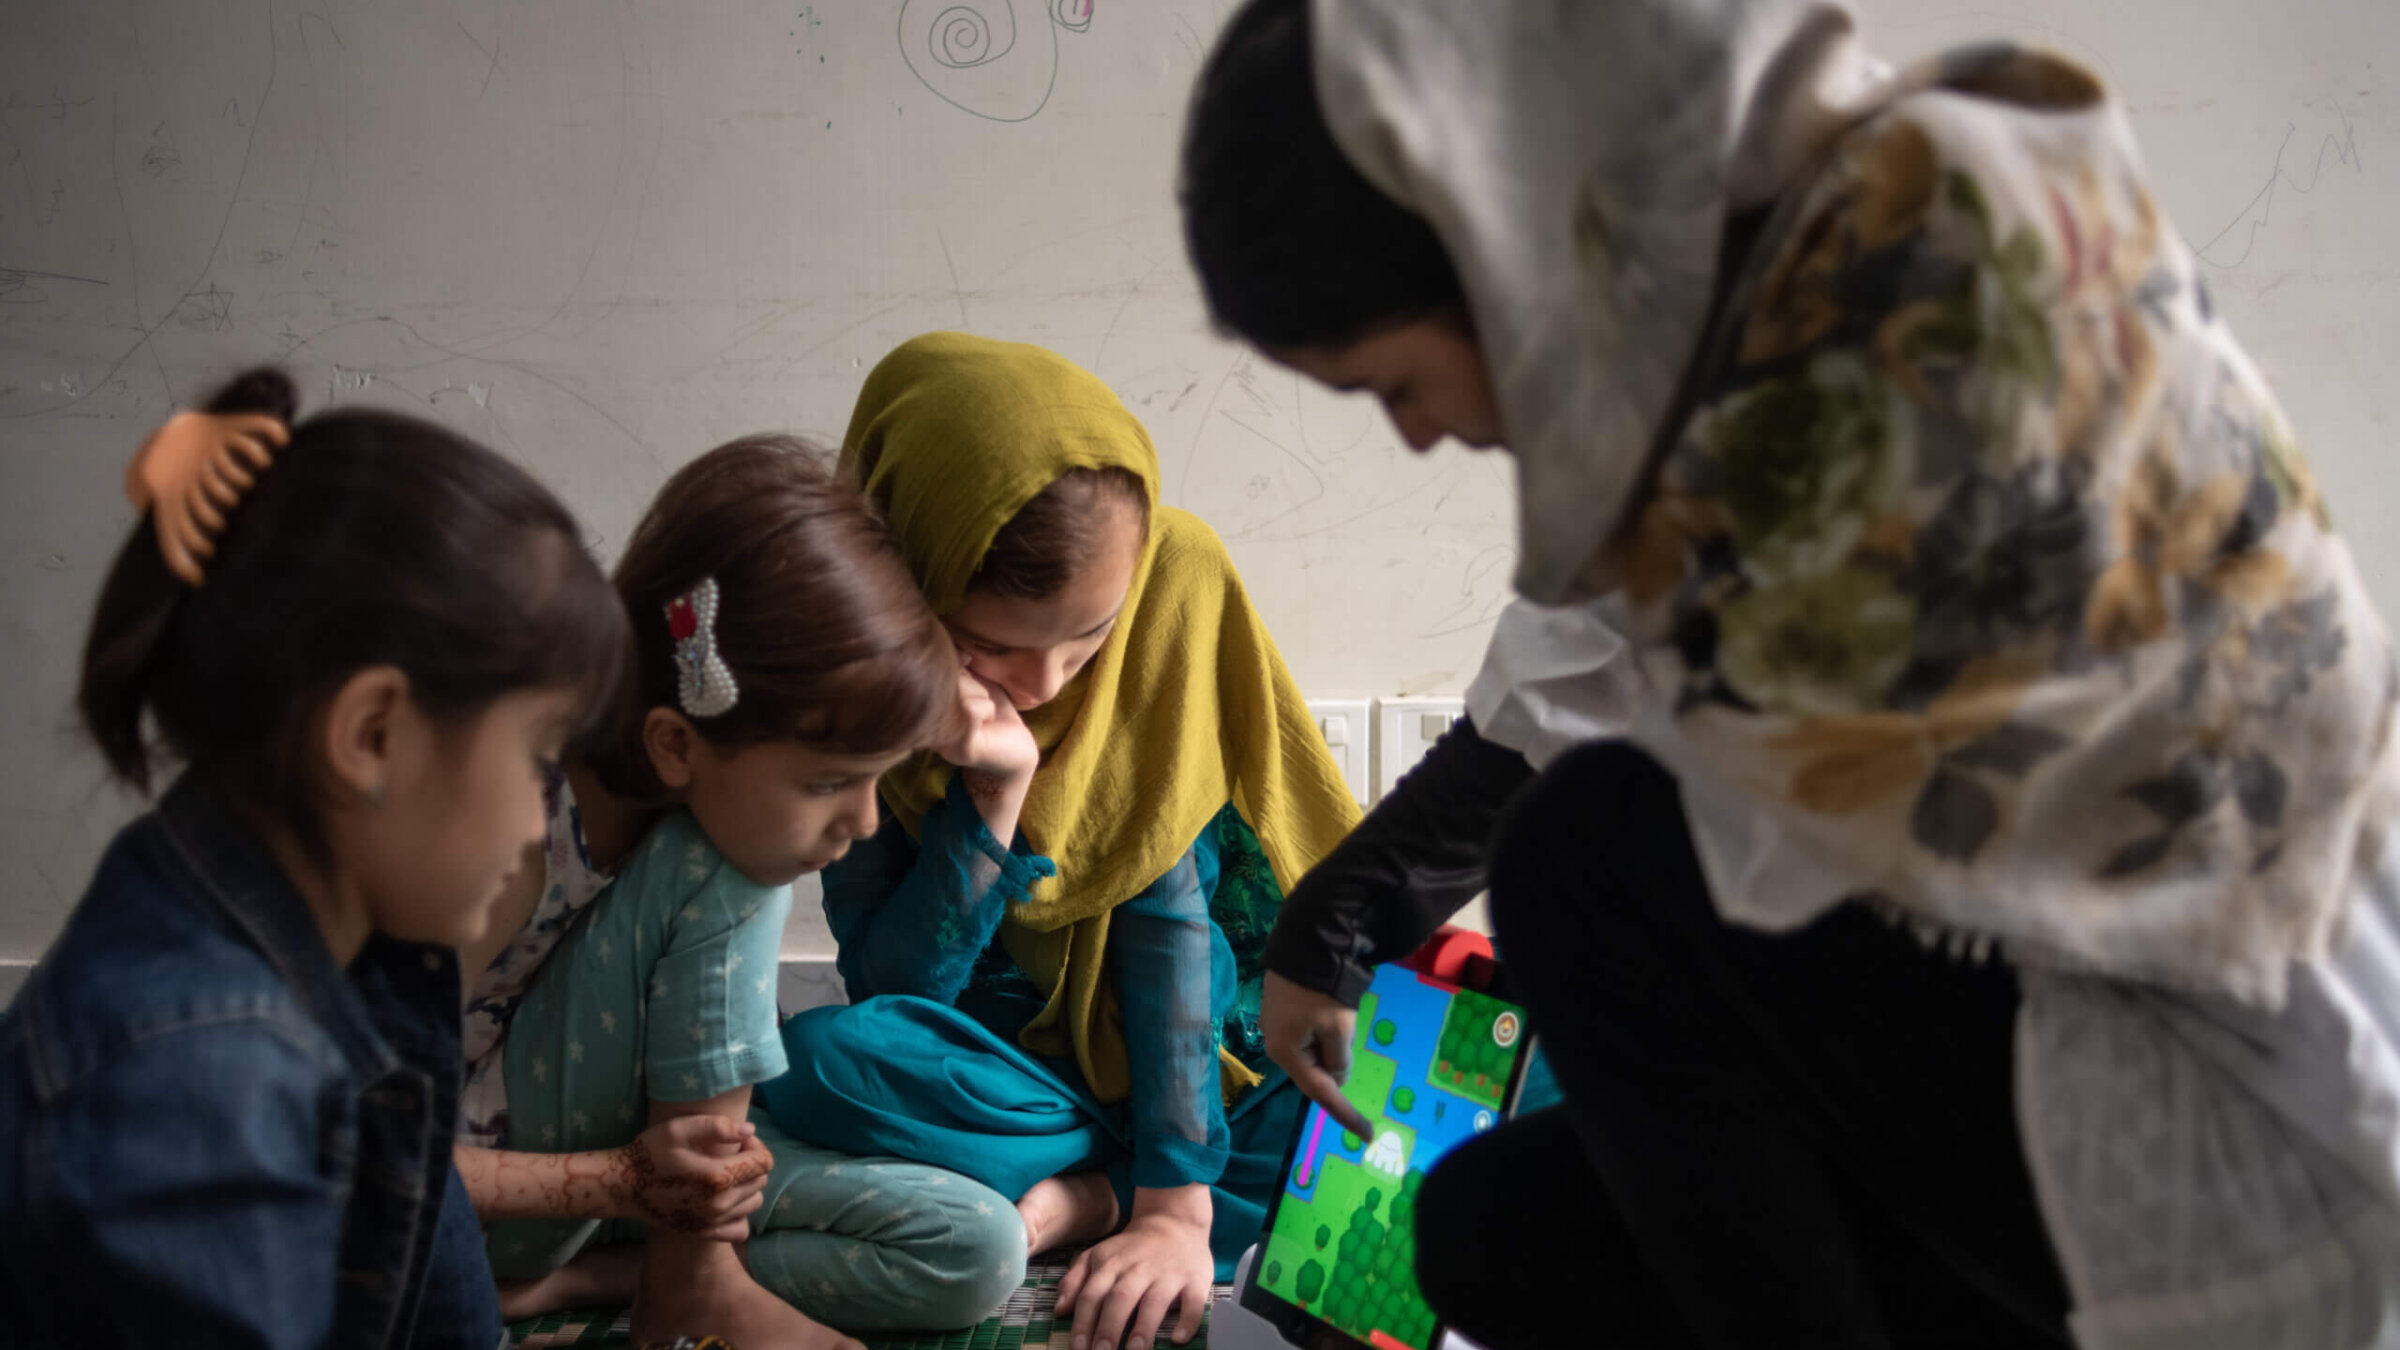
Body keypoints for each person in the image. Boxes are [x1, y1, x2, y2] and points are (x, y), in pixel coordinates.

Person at [1181, 2, 2400, 1347]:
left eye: (1390, 383)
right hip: (2062, 1068)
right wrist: (1334, 927)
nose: (1417, 437)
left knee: (1586, 861)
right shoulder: (1801, 260)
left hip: (2220, 1114)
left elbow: (1594, 755)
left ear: (1499, 234)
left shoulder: (1904, 276)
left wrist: (1343, 923)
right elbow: (1568, 689)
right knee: (1491, 1228)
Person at [0, 368, 628, 1348]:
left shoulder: (361, 954)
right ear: (374, 735)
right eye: (537, 755)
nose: (538, 818)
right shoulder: (197, 1085)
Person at [759, 332, 1362, 1350]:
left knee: (1390, 1125)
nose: (1041, 688)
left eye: (1086, 640)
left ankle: (1112, 1201)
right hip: (1014, 1073)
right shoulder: (863, 653)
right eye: (990, 643)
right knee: (827, 1059)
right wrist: (992, 803)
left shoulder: (1172, 593)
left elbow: (1172, 934)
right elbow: (894, 991)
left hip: (1208, 1064)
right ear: (901, 583)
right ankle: (1103, 1192)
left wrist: (1175, 1202)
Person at [454, 437, 1027, 1346]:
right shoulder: (506, 830)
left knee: (982, 1247)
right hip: (484, 1200)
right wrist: (618, 1183)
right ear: (675, 744)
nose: (865, 823)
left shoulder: (688, 791)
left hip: (642, 1175)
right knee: (732, 861)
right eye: (827, 782)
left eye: (874, 779)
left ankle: (620, 1280)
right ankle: (693, 1273)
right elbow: (355, 1166)